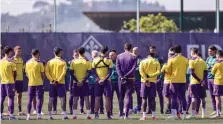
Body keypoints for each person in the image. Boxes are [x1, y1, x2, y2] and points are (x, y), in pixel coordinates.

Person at [165, 45, 188, 119]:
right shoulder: (185, 59)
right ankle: (184, 115)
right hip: (183, 80)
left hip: (174, 80)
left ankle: (173, 115)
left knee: (174, 97)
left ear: (174, 51)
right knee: (183, 97)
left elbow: (167, 70)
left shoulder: (171, 59)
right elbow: (187, 69)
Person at [45, 47, 68, 120]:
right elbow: (64, 73)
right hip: (60, 83)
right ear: (60, 53)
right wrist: (58, 80)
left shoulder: (49, 62)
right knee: (62, 99)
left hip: (52, 84)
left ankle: (49, 115)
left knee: (51, 99)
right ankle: (64, 115)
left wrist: (52, 80)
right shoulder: (63, 62)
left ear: (54, 53)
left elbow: (47, 72)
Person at [116, 43, 137, 119]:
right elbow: (133, 68)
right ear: (131, 48)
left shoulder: (119, 56)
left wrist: (122, 76)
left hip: (121, 79)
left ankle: (121, 115)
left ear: (124, 48)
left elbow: (117, 68)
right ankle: (126, 115)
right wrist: (126, 76)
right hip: (130, 79)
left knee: (121, 97)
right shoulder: (134, 56)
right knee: (128, 96)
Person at [70, 47, 92, 120]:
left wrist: (77, 81)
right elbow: (89, 73)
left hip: (76, 83)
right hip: (85, 82)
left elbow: (71, 73)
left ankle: (74, 115)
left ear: (78, 53)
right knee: (86, 98)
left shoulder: (73, 61)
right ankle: (88, 115)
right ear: (84, 52)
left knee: (75, 99)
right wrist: (82, 81)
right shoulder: (87, 61)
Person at [139, 50, 161, 120]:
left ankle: (144, 116)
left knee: (144, 98)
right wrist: (151, 76)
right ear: (153, 56)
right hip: (153, 82)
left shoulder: (142, 61)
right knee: (152, 99)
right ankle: (153, 116)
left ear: (148, 55)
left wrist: (146, 79)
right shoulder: (156, 62)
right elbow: (158, 72)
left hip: (144, 82)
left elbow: (141, 72)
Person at [186, 48, 207, 119]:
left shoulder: (191, 60)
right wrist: (203, 80)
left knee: (193, 98)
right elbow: (205, 72)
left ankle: (192, 114)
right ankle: (203, 114)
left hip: (194, 82)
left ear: (192, 52)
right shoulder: (203, 61)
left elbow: (192, 72)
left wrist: (199, 80)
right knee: (203, 98)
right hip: (202, 83)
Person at [92, 46, 112, 119]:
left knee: (97, 98)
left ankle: (96, 115)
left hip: (98, 82)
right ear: (106, 52)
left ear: (100, 51)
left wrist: (98, 79)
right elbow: (110, 72)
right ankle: (108, 115)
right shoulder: (109, 60)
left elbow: (93, 71)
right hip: (107, 81)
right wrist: (103, 80)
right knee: (107, 98)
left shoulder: (95, 60)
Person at [25, 49, 45, 120]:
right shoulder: (39, 63)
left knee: (29, 99)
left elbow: (26, 74)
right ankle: (38, 115)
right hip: (39, 83)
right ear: (38, 54)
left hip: (30, 83)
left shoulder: (27, 63)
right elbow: (43, 74)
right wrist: (41, 80)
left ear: (31, 54)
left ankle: (28, 116)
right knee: (39, 99)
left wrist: (31, 78)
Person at [0, 46, 18, 120]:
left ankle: (0, 115)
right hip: (10, 83)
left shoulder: (0, 61)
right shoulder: (11, 62)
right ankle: (11, 115)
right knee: (11, 98)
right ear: (10, 52)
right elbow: (15, 73)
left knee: (1, 98)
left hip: (2, 82)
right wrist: (13, 80)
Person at [148, 46, 164, 114]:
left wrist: (160, 78)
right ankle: (149, 109)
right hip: (150, 80)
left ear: (156, 51)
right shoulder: (148, 59)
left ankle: (161, 110)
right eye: (151, 50)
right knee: (150, 95)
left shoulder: (159, 59)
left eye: (154, 50)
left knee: (160, 95)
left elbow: (162, 70)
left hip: (157, 80)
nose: (152, 51)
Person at [206, 45, 221, 116]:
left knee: (217, 95)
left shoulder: (217, 59)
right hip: (209, 78)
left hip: (215, 79)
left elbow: (214, 68)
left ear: (215, 51)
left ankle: (219, 110)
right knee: (212, 95)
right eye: (209, 51)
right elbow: (206, 67)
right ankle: (215, 110)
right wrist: (209, 67)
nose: (209, 52)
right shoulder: (208, 59)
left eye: (211, 51)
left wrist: (210, 67)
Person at [11, 46, 25, 115]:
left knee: (19, 95)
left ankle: (19, 111)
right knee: (11, 96)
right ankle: (10, 111)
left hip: (20, 80)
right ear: (14, 51)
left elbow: (23, 70)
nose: (19, 52)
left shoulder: (22, 60)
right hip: (13, 81)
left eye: (20, 51)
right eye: (18, 51)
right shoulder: (12, 59)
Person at [162, 47, 175, 114]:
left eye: (172, 54)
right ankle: (169, 108)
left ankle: (174, 109)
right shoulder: (166, 63)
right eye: (169, 53)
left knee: (174, 96)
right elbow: (162, 72)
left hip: (173, 81)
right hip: (167, 81)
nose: (170, 55)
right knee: (167, 96)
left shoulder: (175, 62)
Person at [211, 50, 223, 118]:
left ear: (218, 55)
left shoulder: (217, 63)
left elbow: (212, 72)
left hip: (218, 82)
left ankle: (218, 113)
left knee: (217, 98)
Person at [109, 49, 120, 115]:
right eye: (110, 55)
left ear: (116, 55)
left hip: (118, 82)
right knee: (110, 98)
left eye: (112, 55)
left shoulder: (119, 61)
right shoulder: (107, 62)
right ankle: (110, 111)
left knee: (120, 97)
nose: (111, 56)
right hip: (110, 82)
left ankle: (120, 111)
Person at [132, 47, 142, 114]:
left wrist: (132, 69)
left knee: (139, 95)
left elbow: (140, 68)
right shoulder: (130, 58)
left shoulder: (141, 59)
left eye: (136, 51)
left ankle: (138, 108)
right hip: (130, 80)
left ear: (139, 51)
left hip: (138, 79)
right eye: (134, 51)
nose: (135, 52)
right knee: (129, 95)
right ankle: (130, 108)